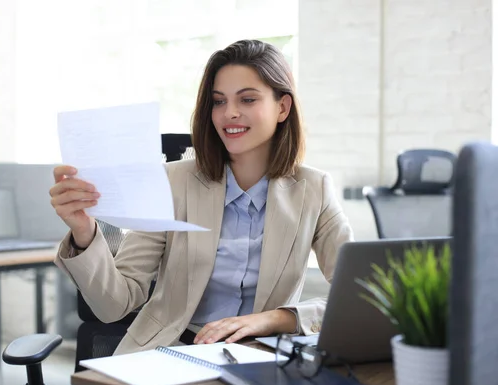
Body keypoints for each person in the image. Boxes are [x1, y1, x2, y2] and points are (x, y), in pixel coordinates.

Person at [50, 39, 353, 355]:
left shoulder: (313, 189)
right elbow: (115, 305)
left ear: (282, 107)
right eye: (218, 102)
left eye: (247, 99)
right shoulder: (173, 182)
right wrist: (83, 233)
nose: (229, 113)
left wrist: (275, 319)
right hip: (169, 350)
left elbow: (361, 292)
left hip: (260, 356)